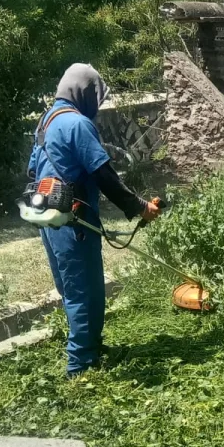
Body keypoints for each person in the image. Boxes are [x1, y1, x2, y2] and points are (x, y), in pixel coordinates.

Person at [29, 64, 161, 377]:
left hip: (49, 215)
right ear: (86, 93)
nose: (97, 106)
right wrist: (140, 207)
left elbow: (34, 172)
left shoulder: (47, 119)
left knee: (71, 286)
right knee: (84, 289)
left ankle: (89, 346)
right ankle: (80, 367)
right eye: (97, 97)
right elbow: (104, 176)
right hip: (74, 220)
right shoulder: (77, 124)